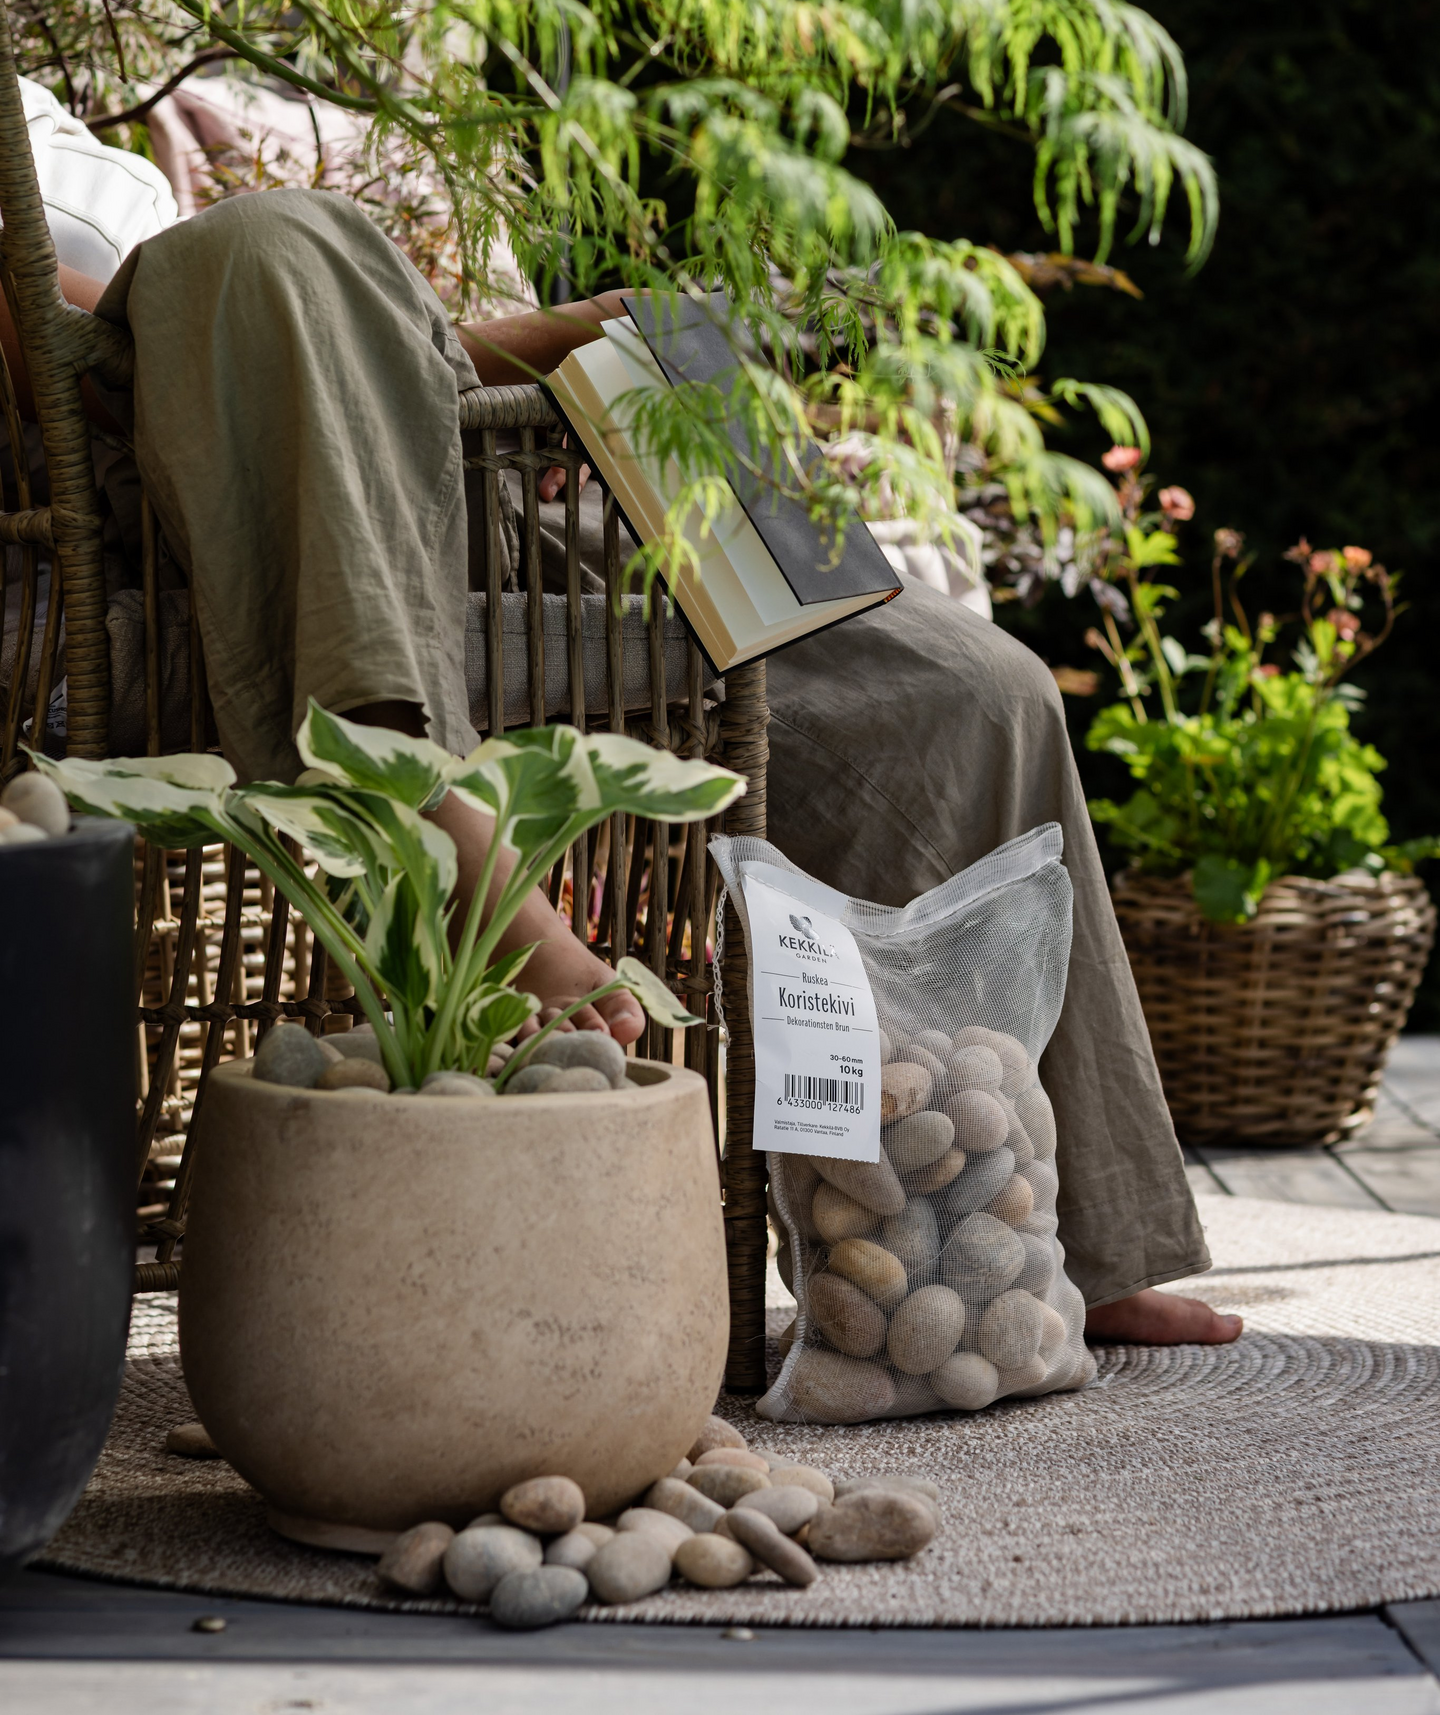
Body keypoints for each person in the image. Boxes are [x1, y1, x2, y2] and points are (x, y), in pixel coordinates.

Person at [0, 89, 1238, 1350]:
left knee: (970, 688)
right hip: (173, 488)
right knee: (264, 238)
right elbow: (56, 355)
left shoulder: (75, 138)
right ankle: (439, 817)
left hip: (423, 440)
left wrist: (565, 345)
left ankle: (1042, 1243)